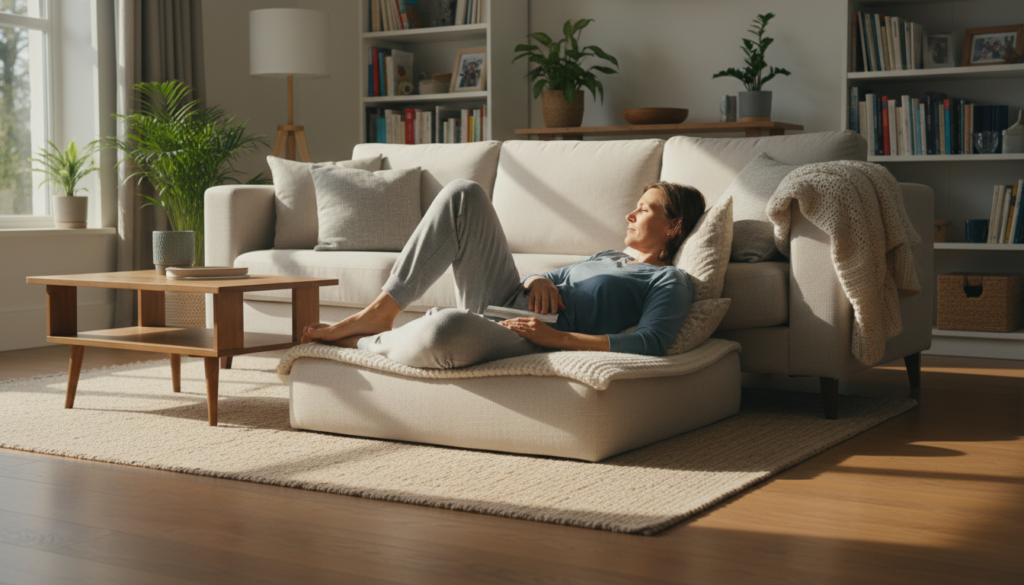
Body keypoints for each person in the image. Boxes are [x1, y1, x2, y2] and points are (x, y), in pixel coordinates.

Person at [302, 179, 706, 369]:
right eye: (635, 205)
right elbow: (542, 276)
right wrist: (539, 281)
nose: (630, 214)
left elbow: (650, 342)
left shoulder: (668, 280)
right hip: (502, 297)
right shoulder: (608, 256)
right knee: (464, 194)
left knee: (446, 328)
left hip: (527, 335)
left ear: (674, 226)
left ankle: (367, 344)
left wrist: (557, 338)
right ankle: (380, 312)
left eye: (646, 209)